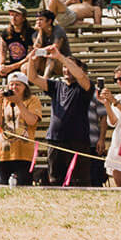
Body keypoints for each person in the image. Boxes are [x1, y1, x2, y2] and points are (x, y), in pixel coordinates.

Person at [33, 44, 94, 187]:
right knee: (55, 180)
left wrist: (60, 57)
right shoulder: (56, 85)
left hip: (78, 139)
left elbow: (80, 75)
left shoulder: (85, 86)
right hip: (55, 138)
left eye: (70, 66)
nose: (66, 69)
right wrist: (32, 59)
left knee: (79, 181)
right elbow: (33, 78)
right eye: (64, 67)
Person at [0, 72, 42, 185]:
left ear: (25, 87)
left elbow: (31, 121)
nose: (14, 87)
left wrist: (18, 102)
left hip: (24, 151)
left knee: (23, 186)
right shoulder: (5, 101)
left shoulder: (33, 100)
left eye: (18, 84)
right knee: (3, 187)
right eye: (11, 84)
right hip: (4, 151)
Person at [0, 5, 34, 85]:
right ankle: (0, 94)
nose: (13, 18)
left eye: (17, 15)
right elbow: (2, 53)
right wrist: (0, 65)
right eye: (12, 15)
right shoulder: (5, 33)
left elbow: (30, 57)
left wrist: (11, 67)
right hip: (11, 65)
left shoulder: (31, 33)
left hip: (24, 65)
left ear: (23, 18)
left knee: (25, 68)